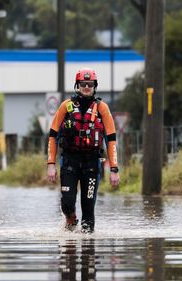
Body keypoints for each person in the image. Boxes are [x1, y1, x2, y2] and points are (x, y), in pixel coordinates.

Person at [47, 67, 120, 233]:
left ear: (95, 86)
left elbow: (111, 140)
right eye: (83, 84)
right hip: (69, 162)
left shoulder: (102, 109)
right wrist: (51, 164)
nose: (86, 87)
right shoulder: (66, 106)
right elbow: (53, 136)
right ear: (77, 86)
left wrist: (114, 169)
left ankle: (88, 252)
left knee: (88, 209)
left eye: (90, 84)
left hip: (92, 164)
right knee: (67, 203)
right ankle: (70, 221)